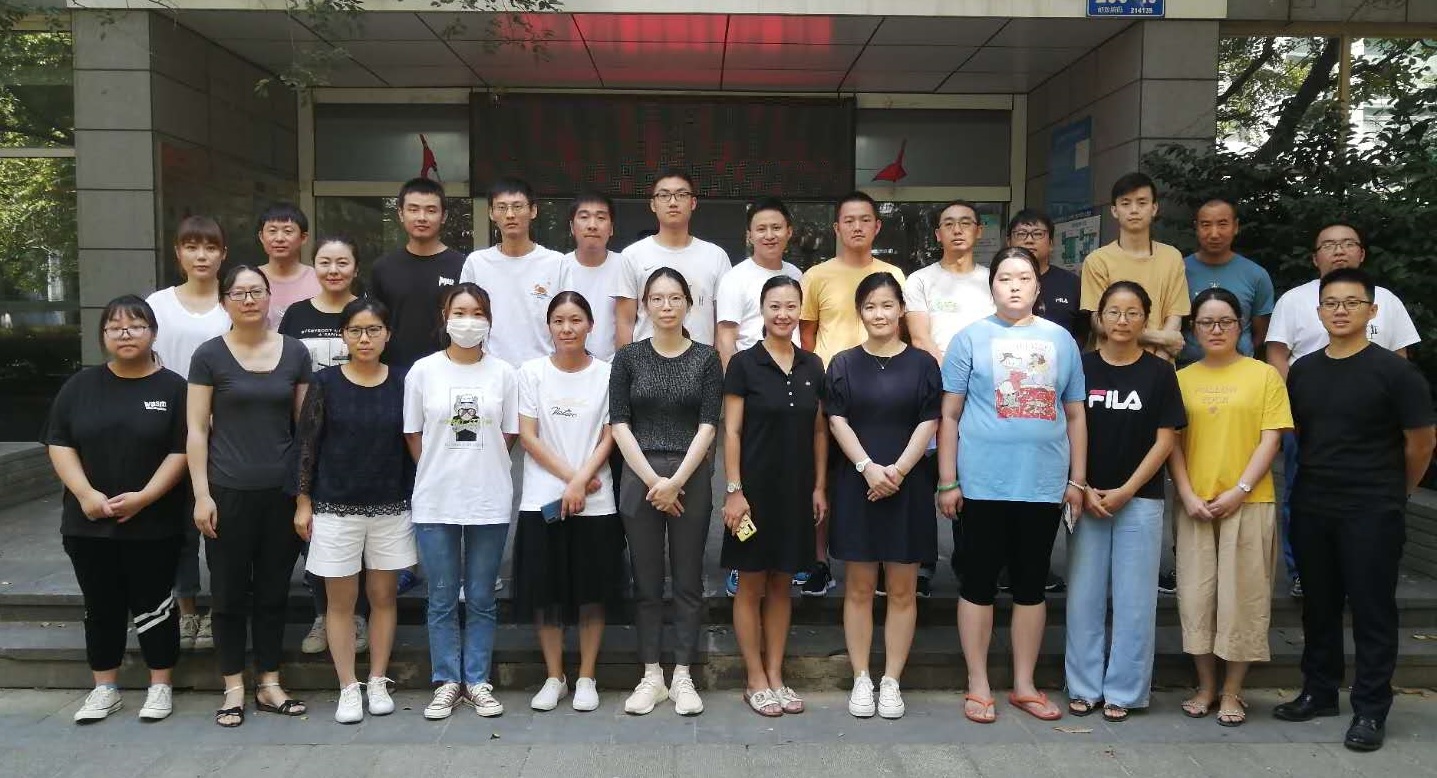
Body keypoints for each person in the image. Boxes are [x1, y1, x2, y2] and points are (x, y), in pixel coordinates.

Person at [1274, 267, 1435, 752]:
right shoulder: (1304, 370)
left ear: (1372, 310)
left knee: (1372, 609)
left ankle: (1370, 708)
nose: (1340, 311)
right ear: (1318, 310)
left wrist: (1397, 491)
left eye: (1351, 303)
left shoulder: (1396, 372)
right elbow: (1299, 434)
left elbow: (1421, 442)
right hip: (1313, 503)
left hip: (1373, 507)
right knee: (1318, 605)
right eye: (1331, 303)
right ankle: (1319, 690)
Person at [938, 247, 1086, 725]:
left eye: (1024, 277)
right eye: (1005, 278)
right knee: (978, 583)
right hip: (982, 484)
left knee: (1031, 586)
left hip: (1042, 484)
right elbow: (949, 414)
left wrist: (1077, 479)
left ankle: (1024, 684)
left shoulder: (1061, 340)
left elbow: (1076, 414)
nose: (1015, 285)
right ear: (992, 287)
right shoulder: (969, 339)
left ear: (1037, 286)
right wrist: (947, 480)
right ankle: (978, 683)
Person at [45, 296, 188, 724]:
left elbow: (183, 449)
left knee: (155, 602)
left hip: (155, 521)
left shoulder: (174, 388)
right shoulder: (80, 386)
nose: (126, 334)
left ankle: (160, 684)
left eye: (136, 326)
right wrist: (86, 494)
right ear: (103, 335)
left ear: (153, 333)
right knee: (100, 605)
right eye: (115, 327)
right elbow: (59, 442)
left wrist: (146, 496)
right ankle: (104, 688)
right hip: (88, 522)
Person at [1265, 222, 1420, 598]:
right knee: (1300, 496)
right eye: (1329, 245)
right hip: (1309, 420)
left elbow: (1400, 357)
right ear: (1314, 257)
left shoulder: (1386, 300)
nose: (1339, 251)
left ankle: (1361, 575)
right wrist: (1295, 412)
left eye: (1348, 243)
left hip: (1373, 426)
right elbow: (1277, 356)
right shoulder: (1294, 300)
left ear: (1361, 253)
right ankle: (1302, 571)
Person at [188, 266, 312, 727]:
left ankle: (270, 682)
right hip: (227, 492)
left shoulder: (294, 351)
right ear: (224, 301)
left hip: (280, 494)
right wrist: (202, 495)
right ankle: (233, 686)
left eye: (256, 291)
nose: (248, 300)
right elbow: (196, 430)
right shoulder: (209, 355)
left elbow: (304, 429)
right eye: (238, 293)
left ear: (269, 296)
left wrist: (304, 495)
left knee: (274, 592)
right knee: (227, 593)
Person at [1168, 287, 1291, 727]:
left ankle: (1233, 691)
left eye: (1225, 322)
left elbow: (1271, 438)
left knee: (1244, 598)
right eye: (1206, 322)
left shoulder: (1264, 376)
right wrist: (1186, 493)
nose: (1216, 329)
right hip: (1196, 505)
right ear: (1193, 329)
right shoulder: (1181, 379)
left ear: (1241, 327)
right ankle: (1205, 686)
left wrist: (1240, 489)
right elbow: (1171, 443)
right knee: (1197, 597)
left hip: (1249, 503)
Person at [1065, 281, 1186, 722]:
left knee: (1136, 600)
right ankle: (1083, 686)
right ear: (1099, 317)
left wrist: (1128, 490)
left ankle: (1125, 691)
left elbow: (1166, 439)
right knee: (1084, 597)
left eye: (1133, 313)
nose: (1122, 320)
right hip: (1086, 496)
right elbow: (1066, 427)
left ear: (1145, 320)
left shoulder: (1159, 373)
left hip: (1140, 499)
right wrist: (1081, 486)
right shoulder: (1080, 367)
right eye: (1113, 312)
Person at [294, 298, 416, 724]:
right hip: (335, 506)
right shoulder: (325, 381)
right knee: (340, 602)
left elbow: (414, 441)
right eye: (356, 330)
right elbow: (307, 444)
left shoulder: (404, 381)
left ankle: (378, 679)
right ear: (343, 336)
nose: (365, 338)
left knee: (383, 598)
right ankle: (348, 686)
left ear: (388, 335)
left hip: (391, 505)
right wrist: (303, 501)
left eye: (374, 330)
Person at [825, 272, 940, 720]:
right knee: (857, 587)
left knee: (902, 588)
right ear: (860, 311)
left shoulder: (923, 364)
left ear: (901, 311)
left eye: (888, 305)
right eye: (870, 306)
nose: (879, 314)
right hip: (858, 484)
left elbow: (929, 420)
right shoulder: (843, 363)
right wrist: (868, 468)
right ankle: (861, 677)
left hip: (907, 486)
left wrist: (898, 471)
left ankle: (891, 680)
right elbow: (836, 419)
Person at [610, 268, 723, 716]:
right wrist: (654, 480)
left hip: (690, 475)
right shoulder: (628, 358)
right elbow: (619, 423)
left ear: (688, 304)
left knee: (689, 580)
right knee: (647, 582)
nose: (666, 306)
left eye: (675, 298)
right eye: (656, 298)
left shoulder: (707, 358)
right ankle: (651, 675)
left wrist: (675, 481)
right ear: (644, 306)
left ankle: (683, 675)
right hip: (639, 476)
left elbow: (708, 425)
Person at [403, 282, 518, 720]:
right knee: (442, 596)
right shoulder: (423, 372)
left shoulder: (504, 374)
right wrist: (440, 467)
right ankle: (447, 680)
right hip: (436, 498)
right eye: (460, 312)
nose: (468, 321)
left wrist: (480, 464)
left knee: (483, 596)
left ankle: (478, 680)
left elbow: (509, 432)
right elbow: (413, 432)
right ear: (445, 317)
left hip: (488, 496)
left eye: (477, 313)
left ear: (489, 320)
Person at [721, 275, 828, 717]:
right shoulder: (744, 364)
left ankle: (776, 674)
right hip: (752, 493)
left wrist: (819, 486)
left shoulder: (813, 365)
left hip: (796, 491)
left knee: (783, 583)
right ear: (762, 311)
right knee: (750, 583)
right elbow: (731, 431)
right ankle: (754, 679)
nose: (783, 315)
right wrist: (734, 490)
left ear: (800, 311)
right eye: (774, 306)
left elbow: (819, 430)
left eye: (790, 307)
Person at [513, 291, 623, 714]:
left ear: (590, 325)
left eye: (576, 320)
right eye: (558, 321)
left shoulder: (608, 373)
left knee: (593, 591)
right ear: (548, 326)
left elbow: (611, 434)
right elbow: (528, 436)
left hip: (596, 499)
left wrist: (581, 480)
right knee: (547, 594)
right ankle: (554, 676)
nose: (567, 328)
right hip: (544, 497)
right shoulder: (531, 373)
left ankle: (587, 676)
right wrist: (572, 480)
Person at [797, 191, 907, 597]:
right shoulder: (816, 276)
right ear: (837, 228)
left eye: (865, 220)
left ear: (877, 226)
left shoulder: (893, 274)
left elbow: (902, 330)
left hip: (883, 390)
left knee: (878, 470)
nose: (857, 227)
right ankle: (819, 561)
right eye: (849, 220)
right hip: (832, 389)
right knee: (823, 476)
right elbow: (807, 336)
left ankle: (878, 562)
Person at [280, 236, 371, 657]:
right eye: (325, 262)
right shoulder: (297, 315)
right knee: (314, 529)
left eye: (342, 262)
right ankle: (324, 613)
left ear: (355, 268)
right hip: (309, 436)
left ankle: (358, 615)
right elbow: (286, 371)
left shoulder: (367, 310)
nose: (334, 270)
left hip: (360, 437)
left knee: (360, 529)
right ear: (313, 266)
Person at [904, 200, 997, 599]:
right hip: (932, 391)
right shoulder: (921, 280)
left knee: (971, 479)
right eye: (949, 224)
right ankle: (922, 564)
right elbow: (920, 337)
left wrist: (973, 383)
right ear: (938, 234)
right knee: (924, 480)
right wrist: (955, 380)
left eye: (965, 223)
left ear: (978, 231)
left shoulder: (994, 279)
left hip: (983, 397)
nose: (957, 230)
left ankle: (969, 562)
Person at [146, 215, 231, 653]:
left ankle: (223, 608)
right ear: (178, 252)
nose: (201, 255)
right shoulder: (157, 305)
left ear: (223, 254)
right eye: (192, 246)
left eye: (210, 247)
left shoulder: (232, 304)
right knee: (179, 527)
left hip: (224, 432)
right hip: (169, 431)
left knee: (223, 527)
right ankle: (186, 610)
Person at [613, 169, 731, 350]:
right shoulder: (632, 255)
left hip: (701, 362)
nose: (673, 202)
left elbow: (723, 324)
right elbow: (624, 321)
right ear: (653, 204)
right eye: (664, 195)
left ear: (693, 202)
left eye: (681, 195)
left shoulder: (716, 256)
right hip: (646, 361)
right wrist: (626, 365)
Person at [1078, 172, 1189, 361]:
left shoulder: (1172, 257)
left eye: (1142, 202)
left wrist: (1158, 363)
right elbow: (1099, 323)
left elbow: (1175, 316)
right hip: (1111, 364)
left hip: (1160, 362)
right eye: (1126, 203)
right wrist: (1162, 338)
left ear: (1154, 208)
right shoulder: (1097, 260)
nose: (1134, 210)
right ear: (1114, 210)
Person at [460, 177, 565, 368]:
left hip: (543, 370)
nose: (510, 214)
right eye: (501, 207)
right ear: (491, 213)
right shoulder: (476, 263)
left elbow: (568, 318)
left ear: (533, 210)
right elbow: (464, 318)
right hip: (488, 369)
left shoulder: (557, 263)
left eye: (517, 206)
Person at [370, 177, 468, 373]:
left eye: (431, 210)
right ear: (401, 213)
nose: (422, 217)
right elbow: (374, 323)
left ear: (444, 216)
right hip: (393, 373)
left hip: (450, 371)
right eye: (413, 209)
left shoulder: (463, 266)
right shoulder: (383, 268)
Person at [1178, 199, 1274, 365]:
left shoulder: (1256, 275)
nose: (1214, 233)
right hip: (1187, 369)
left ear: (1235, 226)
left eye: (1222, 224)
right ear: (1196, 228)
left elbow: (1261, 333)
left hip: (1240, 370)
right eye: (1206, 225)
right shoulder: (1178, 271)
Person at [715, 197, 803, 370]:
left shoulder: (796, 275)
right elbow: (725, 339)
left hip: (793, 371)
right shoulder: (735, 278)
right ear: (750, 236)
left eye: (776, 228)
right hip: (751, 374)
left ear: (789, 232)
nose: (769, 236)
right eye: (761, 229)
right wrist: (733, 380)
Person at [556, 192, 622, 361]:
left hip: (613, 367)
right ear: (572, 227)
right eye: (584, 217)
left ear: (611, 228)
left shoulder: (625, 266)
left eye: (601, 218)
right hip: (565, 366)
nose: (592, 225)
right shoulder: (558, 267)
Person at [1007, 208, 1087, 345]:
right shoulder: (997, 281)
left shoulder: (1072, 283)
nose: (1029, 240)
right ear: (1009, 242)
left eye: (1037, 234)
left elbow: (1082, 332)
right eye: (1021, 234)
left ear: (1051, 243)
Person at [255, 202, 319, 330]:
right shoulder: (249, 280)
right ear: (261, 236)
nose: (279, 238)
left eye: (288, 231)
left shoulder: (320, 279)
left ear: (303, 237)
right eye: (272, 231)